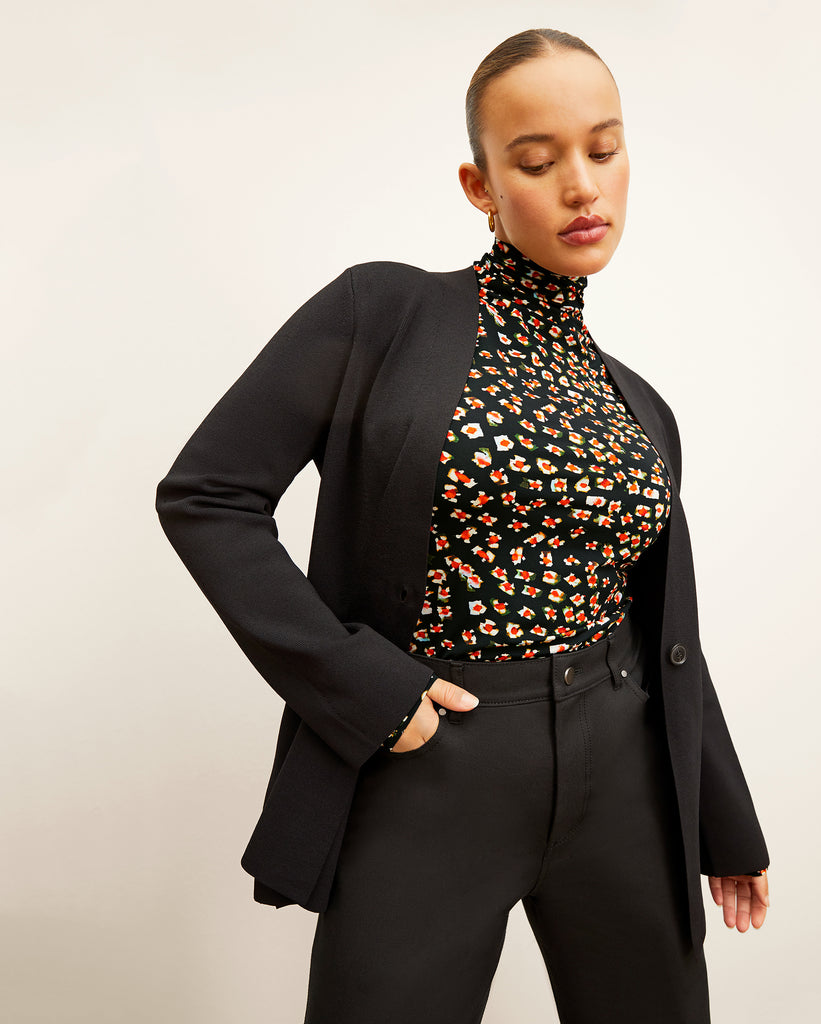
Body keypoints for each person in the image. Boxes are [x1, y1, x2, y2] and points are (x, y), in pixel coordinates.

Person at [155, 27, 770, 1024]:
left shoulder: (639, 406)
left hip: (624, 771)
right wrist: (365, 685)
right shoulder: (381, 313)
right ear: (480, 185)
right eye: (537, 160)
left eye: (603, 149)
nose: (581, 185)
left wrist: (723, 820)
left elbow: (666, 636)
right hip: (437, 758)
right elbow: (208, 494)